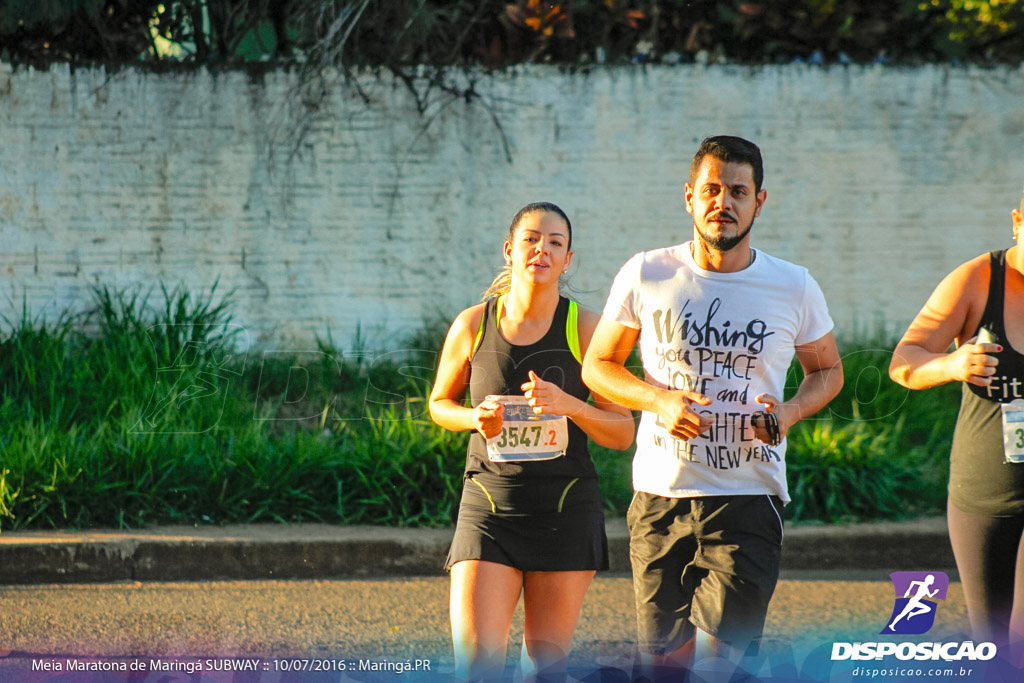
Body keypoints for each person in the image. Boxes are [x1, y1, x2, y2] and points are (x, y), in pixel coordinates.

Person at [581, 136, 843, 676]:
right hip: (659, 497)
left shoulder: (793, 285)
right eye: (712, 189)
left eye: (738, 191)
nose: (723, 202)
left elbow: (829, 371)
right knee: (667, 667)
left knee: (717, 668)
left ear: (759, 201)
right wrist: (657, 400)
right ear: (689, 196)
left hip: (747, 497)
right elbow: (597, 367)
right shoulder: (646, 272)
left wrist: (788, 413)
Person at [428, 202, 634, 681]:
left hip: (564, 510)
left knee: (544, 670)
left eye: (555, 243)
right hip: (488, 507)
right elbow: (439, 404)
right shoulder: (472, 325)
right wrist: (472, 417)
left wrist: (572, 406)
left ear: (567, 260)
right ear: (510, 250)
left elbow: (623, 432)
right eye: (531, 239)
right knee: (477, 667)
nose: (542, 249)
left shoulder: (587, 330)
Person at [889, 194, 1024, 661]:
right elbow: (903, 362)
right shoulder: (976, 280)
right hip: (981, 495)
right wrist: (952, 363)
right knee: (990, 644)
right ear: (1017, 222)